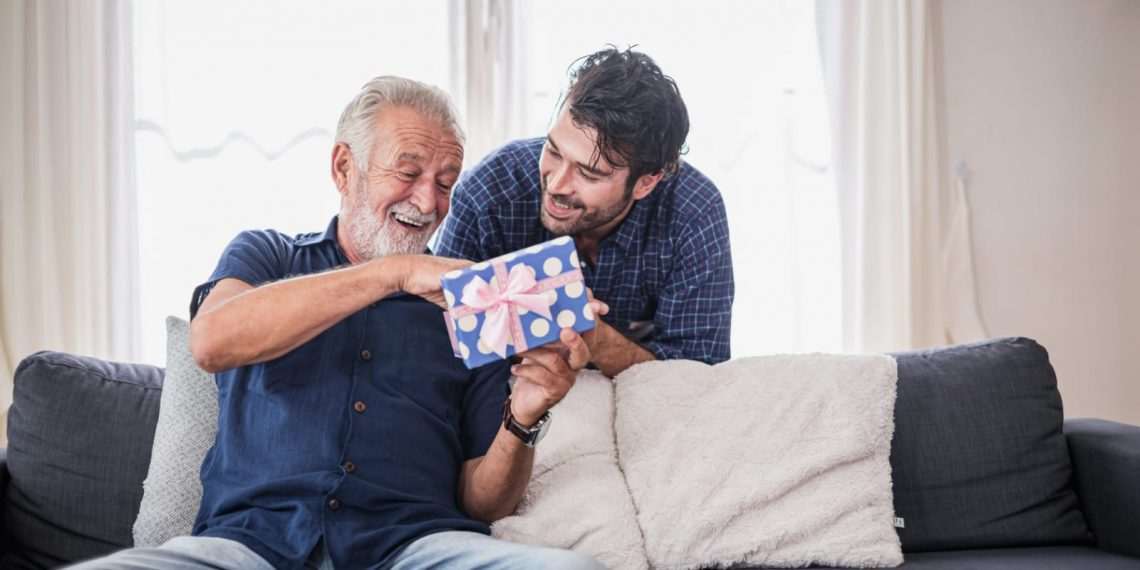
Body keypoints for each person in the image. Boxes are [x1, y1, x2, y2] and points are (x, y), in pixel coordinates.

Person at [67, 77, 603, 570]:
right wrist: (390, 275)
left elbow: (481, 498)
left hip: (412, 548)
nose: (428, 201)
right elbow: (211, 342)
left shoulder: (470, 304)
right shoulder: (269, 255)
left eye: (445, 182)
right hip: (249, 547)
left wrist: (523, 418)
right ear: (344, 168)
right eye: (409, 172)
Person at [434, 46, 734, 377]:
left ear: (646, 183)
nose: (558, 184)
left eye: (589, 174)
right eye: (553, 151)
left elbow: (700, 374)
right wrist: (526, 325)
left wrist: (597, 339)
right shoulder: (491, 189)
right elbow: (433, 339)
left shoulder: (693, 211)